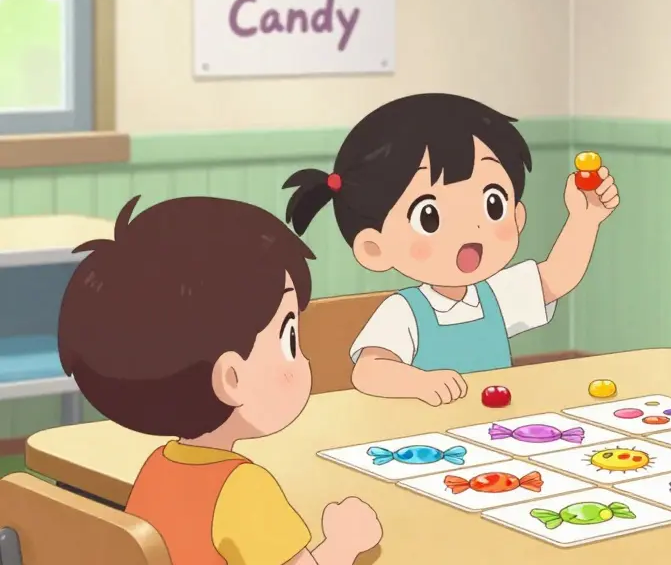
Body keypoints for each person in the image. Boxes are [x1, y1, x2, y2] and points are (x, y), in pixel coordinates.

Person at [58, 196, 382, 565]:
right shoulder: (243, 488)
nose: (304, 358)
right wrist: (345, 543)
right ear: (231, 377)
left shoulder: (157, 467)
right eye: (288, 338)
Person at [283, 94, 619, 406]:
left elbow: (557, 276)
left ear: (517, 217)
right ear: (375, 248)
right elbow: (368, 371)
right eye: (429, 217)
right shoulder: (405, 311)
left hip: (492, 428)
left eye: (492, 204)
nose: (470, 230)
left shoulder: (495, 294)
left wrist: (585, 219)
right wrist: (419, 383)